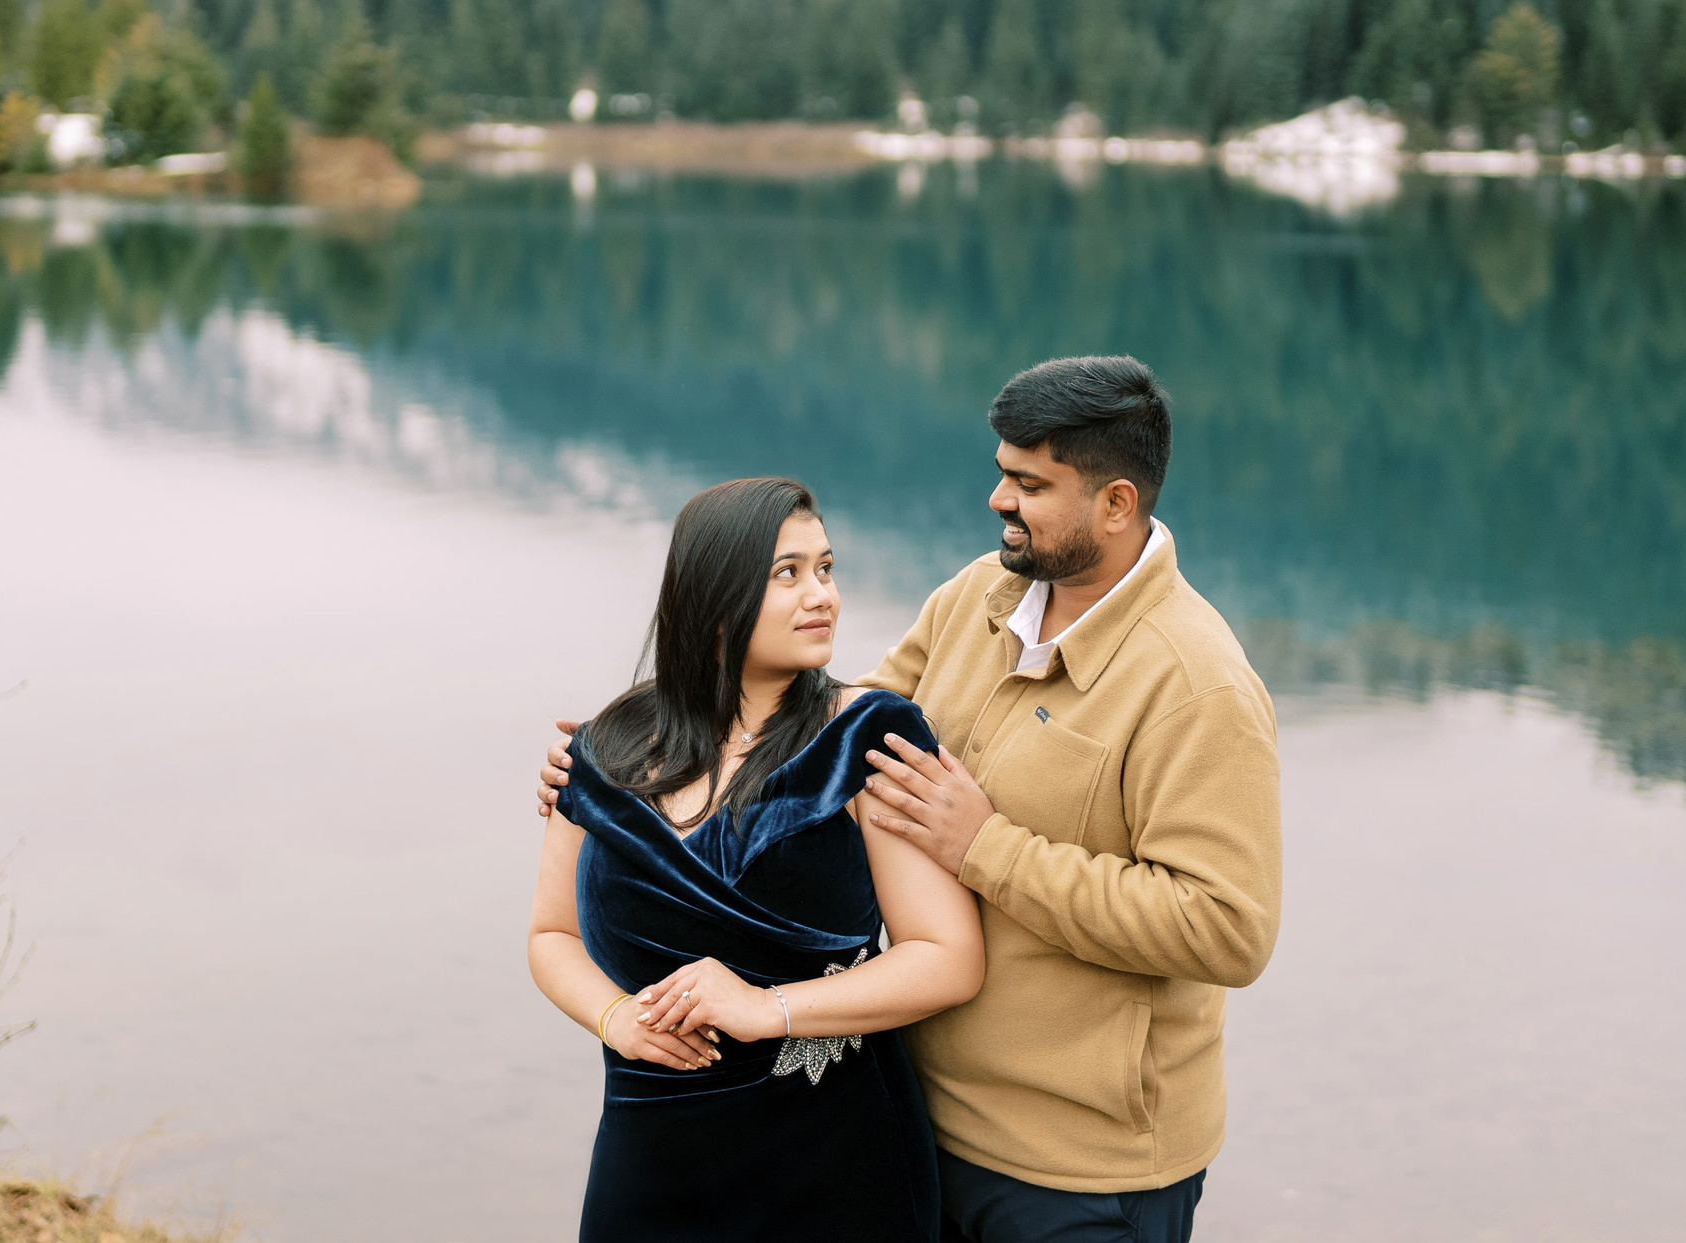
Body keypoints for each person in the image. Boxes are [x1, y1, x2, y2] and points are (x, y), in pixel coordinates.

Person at [541, 357, 1281, 1242]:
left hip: (1077, 1168)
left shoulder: (1198, 684)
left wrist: (987, 847)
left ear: (1115, 503)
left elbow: (1227, 929)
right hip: (918, 1116)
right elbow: (822, 736)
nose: (998, 499)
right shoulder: (981, 595)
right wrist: (635, 761)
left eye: (1028, 483)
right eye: (1002, 471)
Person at [527, 475, 985, 1243]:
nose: (823, 595)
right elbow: (552, 937)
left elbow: (949, 957)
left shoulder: (868, 739)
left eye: (827, 568)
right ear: (713, 596)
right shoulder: (601, 747)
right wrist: (616, 1019)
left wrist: (763, 1008)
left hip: (831, 1157)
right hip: (651, 1155)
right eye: (789, 573)